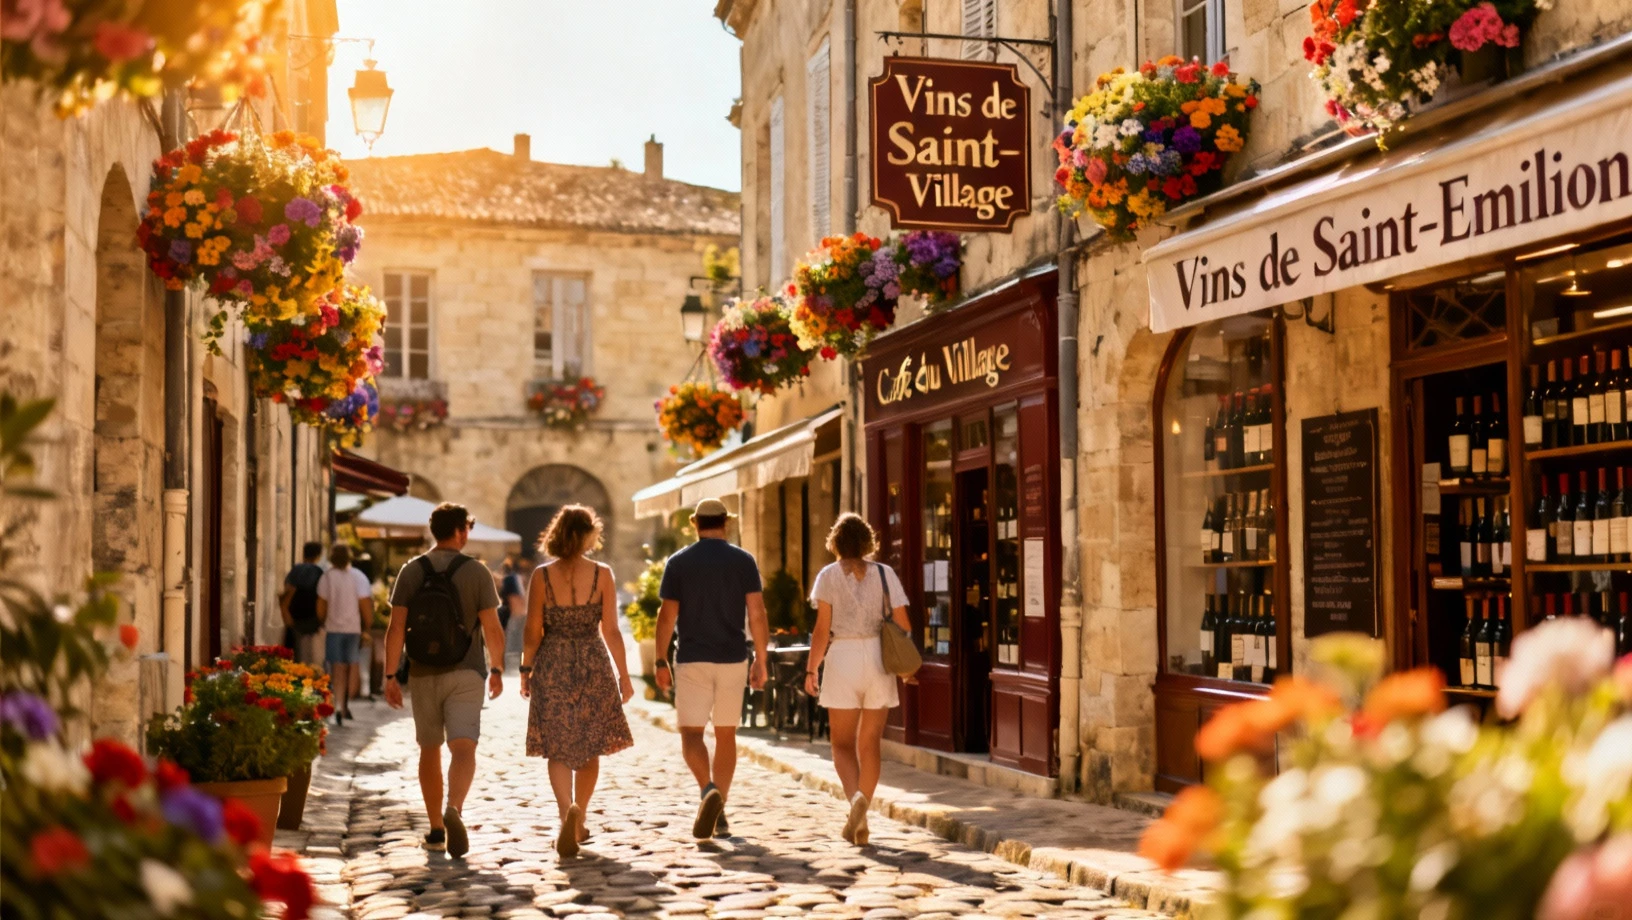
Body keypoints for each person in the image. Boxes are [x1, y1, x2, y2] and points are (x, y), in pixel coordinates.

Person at [383, 503, 506, 858]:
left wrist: (391, 675)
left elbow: (395, 629)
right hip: (466, 671)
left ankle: (436, 828)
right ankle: (455, 808)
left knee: (429, 748)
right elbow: (493, 628)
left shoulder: (411, 570)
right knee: (464, 748)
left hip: (423, 672)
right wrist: (496, 668)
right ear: (461, 531)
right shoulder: (476, 573)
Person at [518, 506, 635, 859]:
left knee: (557, 746)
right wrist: (624, 675)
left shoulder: (541, 576)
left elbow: (532, 630)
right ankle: (579, 817)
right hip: (592, 662)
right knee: (590, 744)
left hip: (553, 662)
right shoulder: (603, 574)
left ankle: (564, 813)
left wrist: (526, 670)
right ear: (586, 535)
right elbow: (611, 630)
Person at [653, 498, 769, 841]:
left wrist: (660, 660)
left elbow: (667, 616)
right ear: (726, 522)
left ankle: (708, 792)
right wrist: (761, 659)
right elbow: (758, 613)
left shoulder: (678, 562)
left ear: (694, 523)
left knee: (691, 734)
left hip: (692, 658)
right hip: (733, 658)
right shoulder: (743, 561)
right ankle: (719, 808)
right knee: (726, 735)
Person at [803, 513, 914, 846]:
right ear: (868, 542)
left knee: (841, 744)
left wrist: (811, 669)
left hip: (843, 658)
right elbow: (904, 623)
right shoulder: (886, 574)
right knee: (870, 745)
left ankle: (855, 802)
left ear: (835, 542)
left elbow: (822, 630)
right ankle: (864, 800)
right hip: (878, 658)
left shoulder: (827, 576)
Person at [317, 543, 372, 725]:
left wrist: (322, 621)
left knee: (337, 668)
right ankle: (345, 704)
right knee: (352, 665)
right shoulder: (359, 577)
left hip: (334, 629)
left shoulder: (327, 578)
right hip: (353, 628)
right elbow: (366, 606)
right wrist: (367, 627)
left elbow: (321, 607)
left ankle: (339, 704)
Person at [279, 542, 325, 664]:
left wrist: (285, 614)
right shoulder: (318, 572)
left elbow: (287, 593)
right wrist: (321, 619)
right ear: (318, 555)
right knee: (311, 659)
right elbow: (321, 598)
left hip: (294, 619)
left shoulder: (295, 570)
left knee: (293, 658)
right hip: (311, 620)